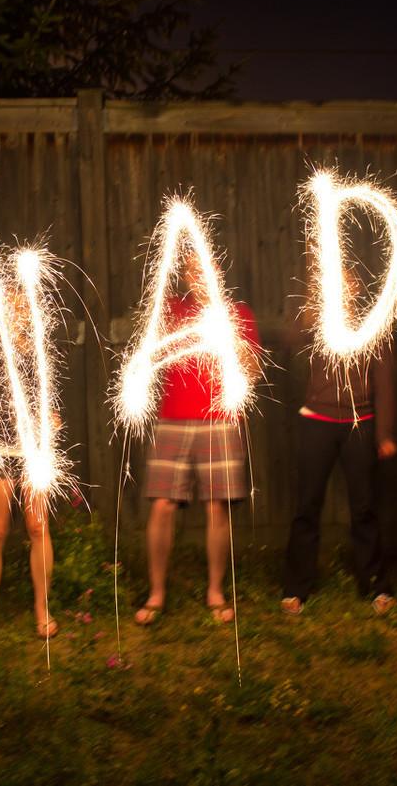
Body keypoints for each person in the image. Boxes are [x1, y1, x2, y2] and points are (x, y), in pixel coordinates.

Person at [134, 262, 261, 626]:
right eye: (189, 271)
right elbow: (152, 355)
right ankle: (156, 593)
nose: (196, 276)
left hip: (219, 421)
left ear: (216, 268)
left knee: (216, 507)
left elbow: (252, 371)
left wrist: (228, 334)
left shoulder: (238, 313)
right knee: (161, 506)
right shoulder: (171, 309)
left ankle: (215, 592)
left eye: (201, 269)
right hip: (173, 418)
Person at [281, 310, 397, 616]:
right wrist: (308, 308)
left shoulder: (374, 321)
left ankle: (376, 585)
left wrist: (384, 432)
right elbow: (290, 340)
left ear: (358, 285)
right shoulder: (316, 316)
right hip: (316, 421)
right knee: (307, 505)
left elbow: (384, 378)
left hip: (361, 421)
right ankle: (296, 588)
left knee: (365, 507)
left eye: (350, 279)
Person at [0, 290, 59, 639]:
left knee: (38, 528)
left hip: (34, 449)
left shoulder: (41, 348)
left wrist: (52, 417)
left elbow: (52, 393)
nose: (16, 310)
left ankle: (42, 608)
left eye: (22, 304)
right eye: (9, 304)